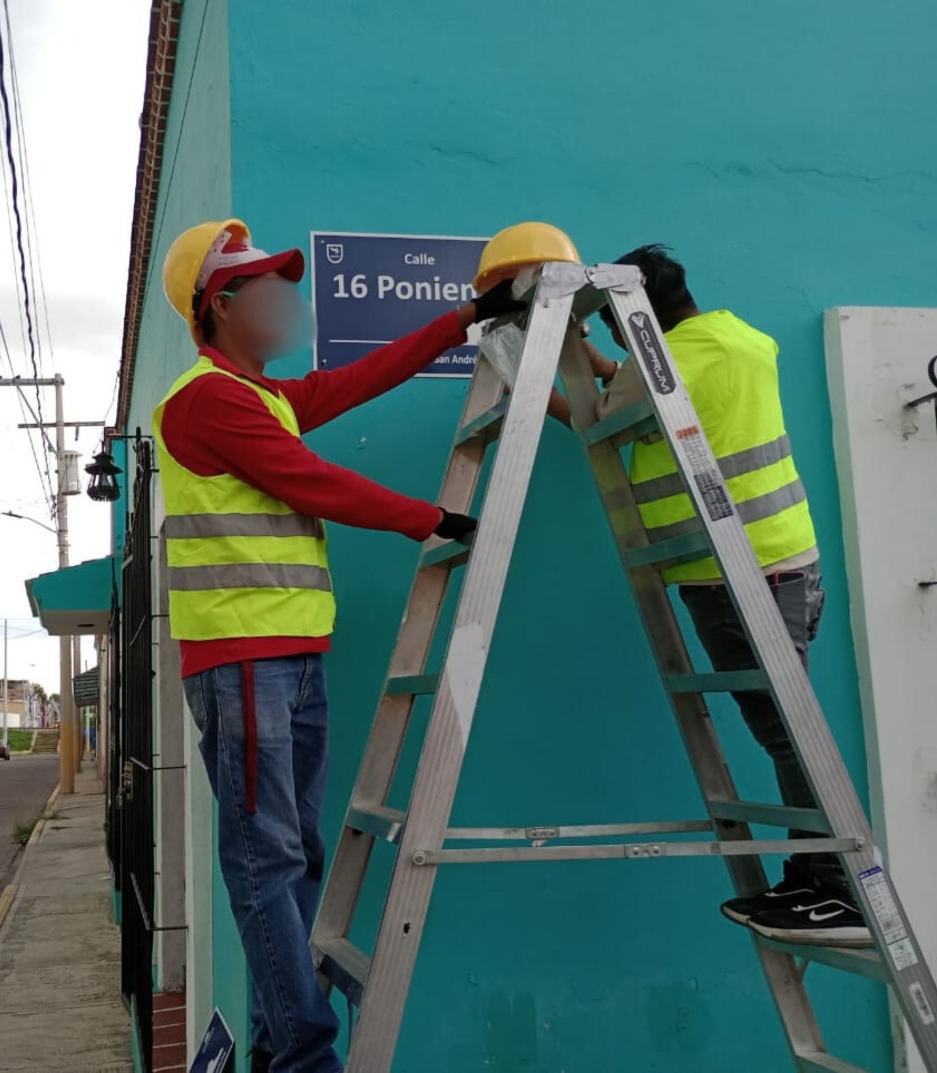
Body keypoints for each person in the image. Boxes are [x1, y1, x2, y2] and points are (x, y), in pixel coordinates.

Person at [154, 219, 522, 1073]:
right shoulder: (205, 398)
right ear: (220, 305)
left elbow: (361, 379)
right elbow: (308, 480)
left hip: (290, 656)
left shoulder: (265, 397)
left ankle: (279, 1042)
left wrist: (462, 318)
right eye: (268, 286)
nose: (288, 300)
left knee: (294, 855)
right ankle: (305, 1056)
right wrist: (428, 517)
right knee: (268, 857)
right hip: (244, 658)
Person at [550, 244, 867, 947]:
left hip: (733, 573)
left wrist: (530, 386)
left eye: (613, 329)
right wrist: (611, 370)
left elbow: (598, 420)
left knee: (787, 729)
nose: (610, 341)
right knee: (790, 722)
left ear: (637, 319)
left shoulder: (667, 362)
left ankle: (838, 890)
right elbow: (653, 391)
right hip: (787, 561)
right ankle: (815, 876)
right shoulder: (738, 339)